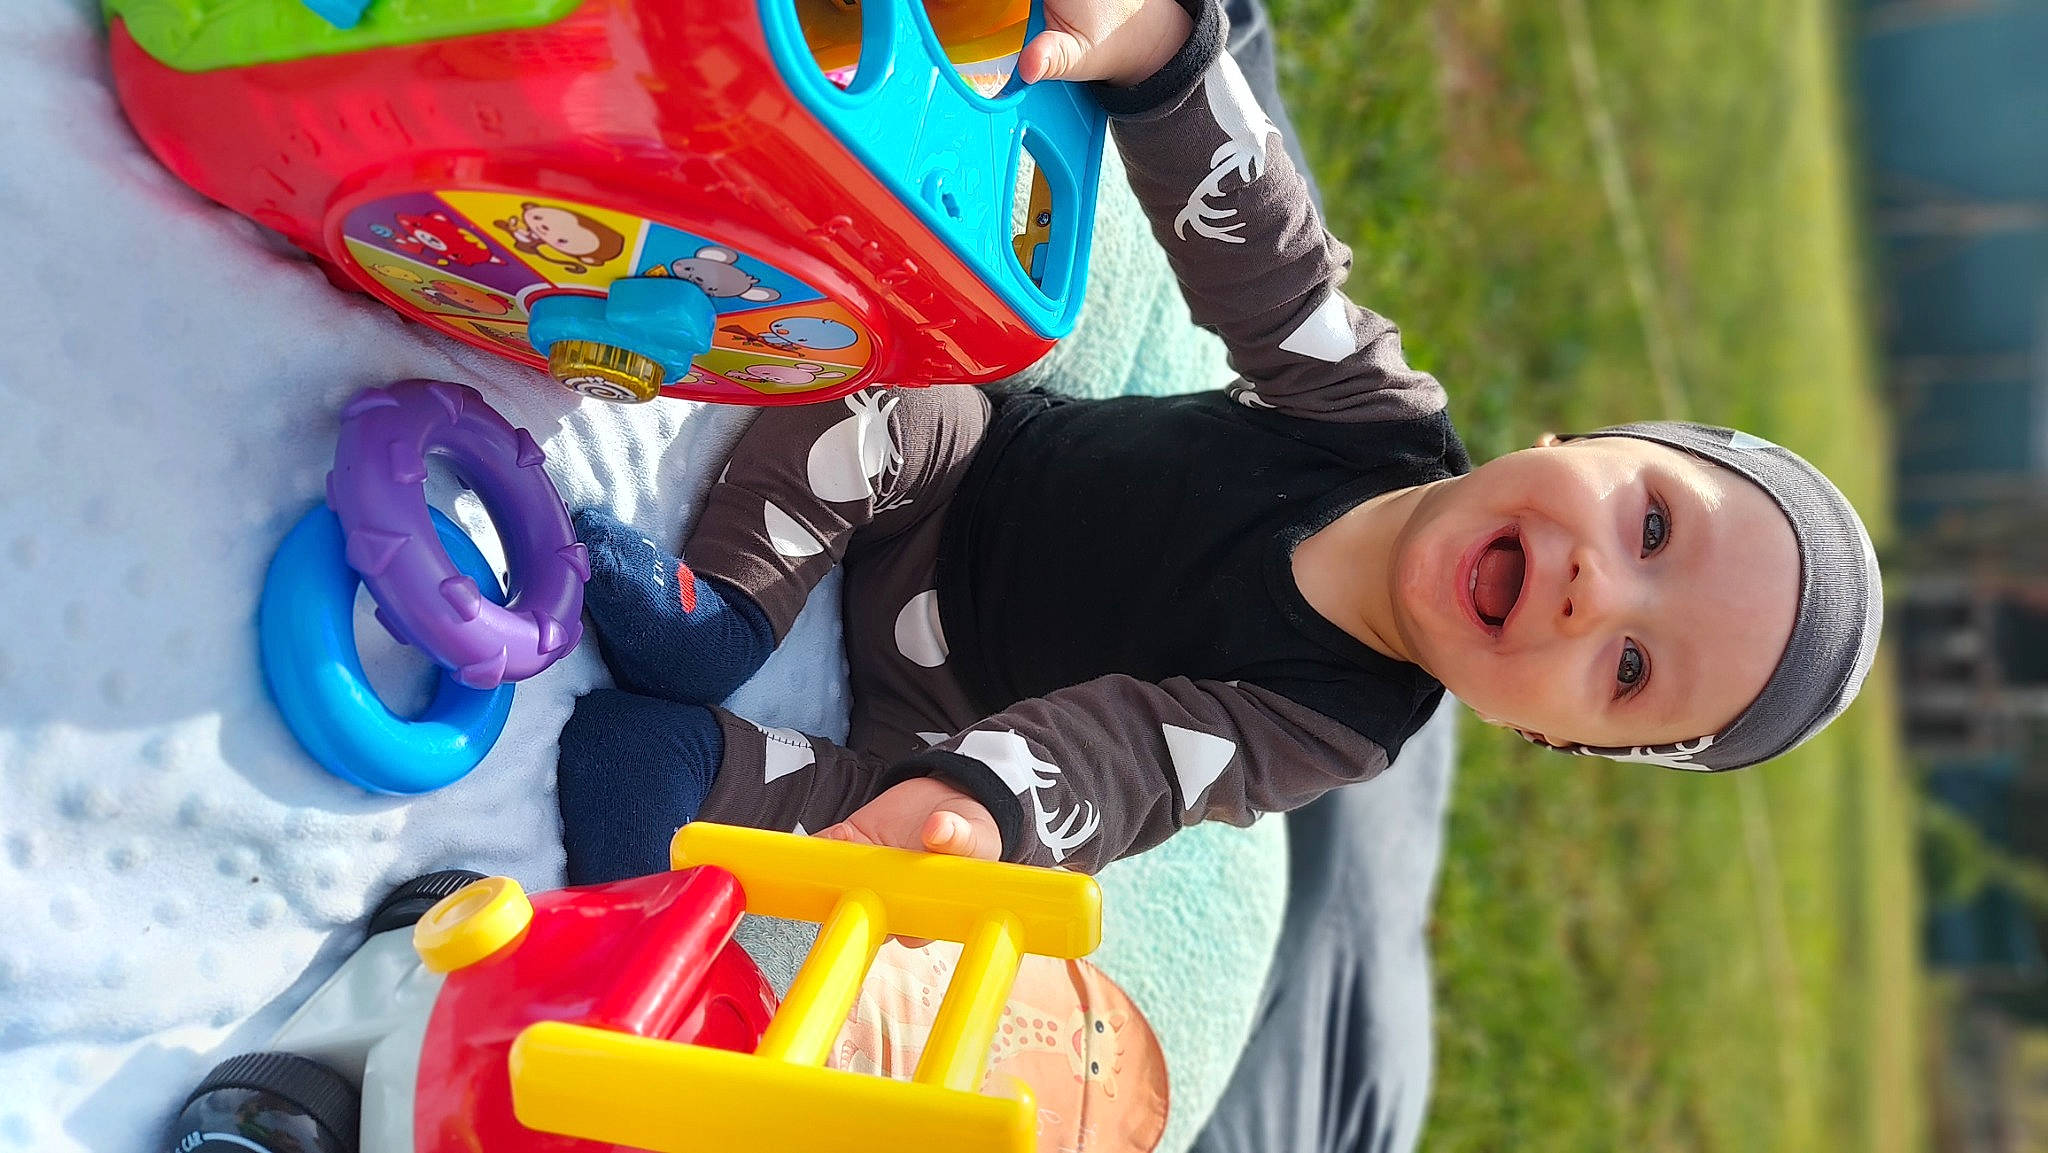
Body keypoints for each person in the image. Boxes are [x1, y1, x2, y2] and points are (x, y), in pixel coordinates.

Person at [553, 0, 1882, 884]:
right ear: (1578, 435)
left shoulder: (1335, 726)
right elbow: (1266, 251)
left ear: (1552, 740)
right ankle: (722, 610)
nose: (1601, 591)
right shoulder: (1376, 421)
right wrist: (1165, 49)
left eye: (1634, 668)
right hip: (956, 484)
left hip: (958, 719)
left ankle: (710, 768)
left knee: (931, 842)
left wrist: (982, 810)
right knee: (905, 389)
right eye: (1650, 524)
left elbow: (1126, 756)